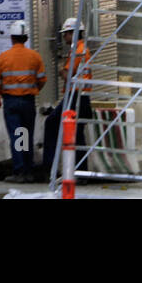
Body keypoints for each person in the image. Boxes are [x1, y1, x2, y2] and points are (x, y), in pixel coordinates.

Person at [0, 20, 47, 181]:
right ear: (26, 37)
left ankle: (19, 172)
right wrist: (34, 90)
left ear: (12, 37)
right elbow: (42, 79)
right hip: (27, 101)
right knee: (26, 135)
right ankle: (28, 170)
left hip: (11, 101)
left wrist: (3, 94)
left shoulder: (4, 57)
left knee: (17, 136)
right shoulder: (35, 56)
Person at [42, 17, 94, 177]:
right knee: (77, 135)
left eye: (66, 34)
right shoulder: (83, 49)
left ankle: (50, 167)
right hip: (82, 98)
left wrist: (60, 69)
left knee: (51, 124)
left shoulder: (77, 51)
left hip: (75, 98)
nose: (64, 37)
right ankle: (80, 171)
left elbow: (66, 74)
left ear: (73, 33)